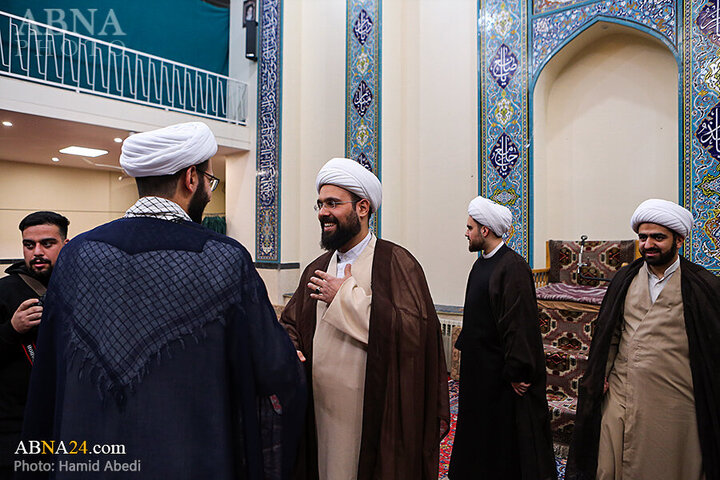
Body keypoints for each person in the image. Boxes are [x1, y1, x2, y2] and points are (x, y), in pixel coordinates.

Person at [19, 122, 305, 480]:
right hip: (190, 458)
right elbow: (275, 371)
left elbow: (49, 376)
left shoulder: (77, 255)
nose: (207, 188)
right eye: (209, 181)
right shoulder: (223, 258)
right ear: (191, 178)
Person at [279, 157, 449, 480]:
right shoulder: (318, 266)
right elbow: (291, 323)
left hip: (370, 416)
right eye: (319, 204)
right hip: (320, 415)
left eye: (333, 203)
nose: (322, 213)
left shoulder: (397, 262)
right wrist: (290, 345)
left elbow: (415, 335)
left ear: (362, 207)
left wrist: (344, 297)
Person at [567, 198, 720, 480]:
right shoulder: (625, 278)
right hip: (623, 393)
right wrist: (601, 371)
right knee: (610, 462)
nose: (648, 244)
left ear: (679, 240)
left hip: (677, 398)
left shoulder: (702, 286)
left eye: (658, 237)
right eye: (643, 237)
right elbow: (609, 334)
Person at [449, 196, 556, 480]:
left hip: (500, 377)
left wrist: (517, 370)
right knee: (478, 438)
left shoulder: (512, 266)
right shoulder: (481, 264)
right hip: (479, 374)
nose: (466, 232)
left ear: (485, 230)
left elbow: (518, 323)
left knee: (502, 445)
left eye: (470, 227)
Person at [0, 212, 69, 480]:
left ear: (65, 244)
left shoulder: (79, 289)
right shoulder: (4, 291)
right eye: (29, 245)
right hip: (14, 432)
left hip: (65, 424)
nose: (37, 252)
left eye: (47, 244)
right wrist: (12, 329)